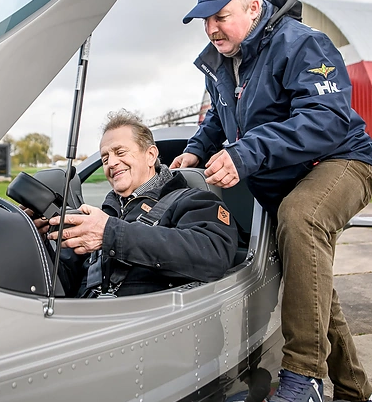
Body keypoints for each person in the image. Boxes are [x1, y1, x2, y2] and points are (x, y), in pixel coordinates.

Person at [170, 0, 372, 402]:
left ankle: (304, 380)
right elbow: (219, 117)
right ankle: (356, 393)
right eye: (204, 20)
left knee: (301, 217)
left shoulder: (302, 44)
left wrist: (246, 154)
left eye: (220, 16)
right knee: (310, 275)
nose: (211, 28)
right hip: (288, 175)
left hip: (340, 160)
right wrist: (195, 149)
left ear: (253, 8)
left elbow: (326, 119)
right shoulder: (220, 63)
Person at [37, 110, 239, 298]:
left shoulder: (195, 201)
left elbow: (214, 254)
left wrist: (110, 234)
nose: (111, 163)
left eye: (120, 152)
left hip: (148, 321)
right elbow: (61, 286)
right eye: (105, 159)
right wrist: (39, 239)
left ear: (150, 155)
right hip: (84, 317)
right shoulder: (102, 215)